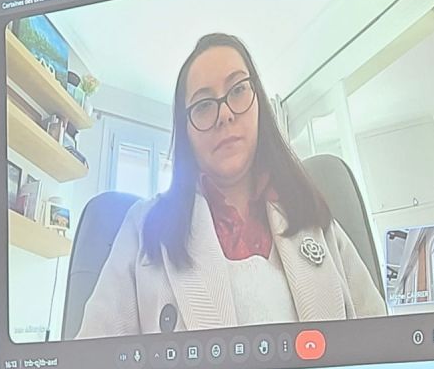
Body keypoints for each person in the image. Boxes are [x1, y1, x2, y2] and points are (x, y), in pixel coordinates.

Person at [76, 32, 386, 338]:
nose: (224, 114)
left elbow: (381, 343)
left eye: (237, 90)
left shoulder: (314, 218)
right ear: (186, 130)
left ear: (258, 101)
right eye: (203, 105)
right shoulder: (141, 227)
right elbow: (94, 356)